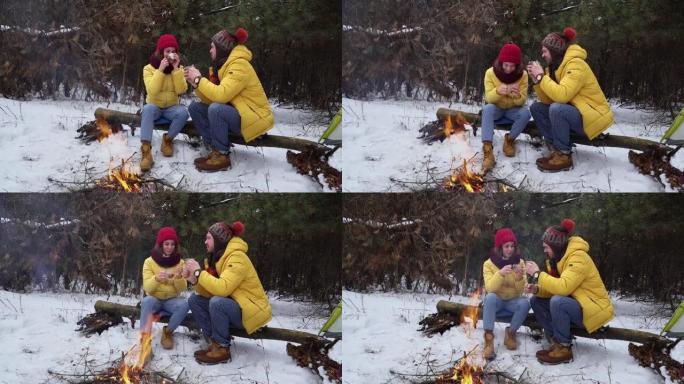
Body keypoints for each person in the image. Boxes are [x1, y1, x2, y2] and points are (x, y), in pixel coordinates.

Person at [524, 219, 614, 364]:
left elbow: (563, 288)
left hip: (593, 310)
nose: (545, 250)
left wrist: (537, 274)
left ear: (556, 246)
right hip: (578, 306)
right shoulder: (558, 260)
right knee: (536, 300)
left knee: (558, 301)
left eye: (546, 247)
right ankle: (556, 343)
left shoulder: (578, 257)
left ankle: (563, 348)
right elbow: (555, 288)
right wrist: (537, 289)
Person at [184, 28, 274, 172]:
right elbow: (211, 98)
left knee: (216, 109)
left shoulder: (239, 65)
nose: (210, 51)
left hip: (254, 119)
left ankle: (221, 155)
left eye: (212, 47)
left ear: (221, 48)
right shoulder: (223, 67)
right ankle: (214, 149)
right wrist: (195, 83)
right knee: (195, 108)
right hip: (240, 115)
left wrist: (198, 78)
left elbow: (221, 96)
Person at [183, 221, 272, 364]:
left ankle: (222, 348)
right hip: (235, 308)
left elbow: (222, 289)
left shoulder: (237, 257)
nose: (205, 242)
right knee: (194, 300)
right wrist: (193, 280)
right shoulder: (218, 259)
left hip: (251, 312)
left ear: (219, 240)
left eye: (208, 238)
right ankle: (214, 344)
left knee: (217, 302)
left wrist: (199, 272)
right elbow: (210, 292)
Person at [526, 27, 614, 172]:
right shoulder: (554, 68)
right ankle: (555, 150)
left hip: (591, 119)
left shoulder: (576, 65)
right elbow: (548, 100)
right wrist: (537, 81)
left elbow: (562, 96)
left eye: (544, 51)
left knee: (557, 108)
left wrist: (542, 77)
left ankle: (563, 155)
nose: (542, 55)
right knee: (537, 108)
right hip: (576, 114)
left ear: (554, 51)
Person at [140, 34, 189, 172]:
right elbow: (152, 91)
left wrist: (176, 70)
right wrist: (160, 70)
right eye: (167, 51)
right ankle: (146, 152)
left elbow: (181, 90)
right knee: (148, 108)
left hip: (171, 109)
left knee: (183, 112)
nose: (170, 54)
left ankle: (167, 140)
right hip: (154, 108)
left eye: (173, 51)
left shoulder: (178, 69)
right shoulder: (148, 68)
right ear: (160, 52)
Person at [481, 228, 530, 360]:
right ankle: (488, 338)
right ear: (500, 247)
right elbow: (490, 288)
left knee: (525, 303)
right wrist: (500, 274)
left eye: (512, 246)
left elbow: (521, 291)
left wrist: (520, 277)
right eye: (506, 246)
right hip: (496, 303)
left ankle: (511, 333)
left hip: (511, 303)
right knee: (490, 297)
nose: (510, 249)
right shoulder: (488, 264)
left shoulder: (520, 262)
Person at [481, 43, 531, 173]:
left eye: (512, 66)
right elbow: (488, 99)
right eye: (506, 65)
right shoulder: (490, 73)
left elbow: (522, 101)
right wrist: (498, 91)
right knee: (487, 109)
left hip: (512, 111)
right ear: (501, 62)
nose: (509, 69)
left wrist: (517, 95)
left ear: (517, 65)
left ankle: (509, 140)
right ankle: (487, 150)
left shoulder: (523, 75)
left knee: (526, 113)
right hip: (496, 110)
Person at [140, 227, 190, 350]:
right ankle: (144, 339)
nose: (170, 247)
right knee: (147, 301)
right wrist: (156, 279)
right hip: (154, 300)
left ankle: (168, 332)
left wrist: (178, 278)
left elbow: (183, 288)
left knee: (185, 304)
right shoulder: (149, 262)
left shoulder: (180, 262)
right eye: (166, 244)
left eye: (173, 244)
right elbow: (147, 287)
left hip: (171, 301)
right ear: (161, 245)